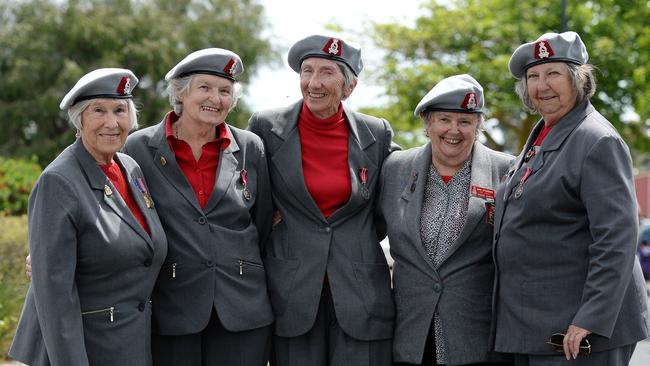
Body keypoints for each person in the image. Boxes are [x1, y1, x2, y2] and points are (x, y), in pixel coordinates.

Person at [492, 31, 650, 365]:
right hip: (540, 324)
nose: (542, 85)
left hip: (578, 332)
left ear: (579, 80)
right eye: (533, 76)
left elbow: (617, 237)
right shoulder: (545, 131)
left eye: (553, 74)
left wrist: (591, 317)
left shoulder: (596, 140)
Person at [247, 35, 397, 366]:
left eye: (327, 72)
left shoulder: (378, 133)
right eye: (307, 71)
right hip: (292, 291)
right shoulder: (265, 127)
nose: (314, 83)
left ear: (349, 87)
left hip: (360, 292)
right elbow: (252, 197)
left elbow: (385, 208)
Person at [122, 48, 273, 366]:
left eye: (225, 91)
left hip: (244, 309)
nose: (215, 99)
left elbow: (262, 224)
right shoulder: (139, 147)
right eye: (204, 87)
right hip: (172, 306)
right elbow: (119, 214)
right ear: (180, 92)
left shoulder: (250, 148)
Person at [9, 68, 168, 365]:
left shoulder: (129, 166)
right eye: (99, 111)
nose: (112, 122)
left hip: (129, 342)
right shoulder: (59, 181)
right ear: (79, 119)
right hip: (86, 348)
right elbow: (55, 298)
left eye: (120, 110)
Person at [380, 74, 514, 366]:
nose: (454, 130)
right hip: (411, 335)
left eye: (465, 122)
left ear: (478, 127)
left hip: (477, 337)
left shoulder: (507, 170)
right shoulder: (395, 169)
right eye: (444, 119)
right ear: (427, 124)